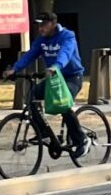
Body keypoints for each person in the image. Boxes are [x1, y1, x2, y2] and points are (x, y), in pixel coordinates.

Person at [8, 12, 87, 156]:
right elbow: (30, 54)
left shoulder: (67, 36)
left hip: (72, 77)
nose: (40, 28)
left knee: (63, 103)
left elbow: (66, 53)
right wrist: (15, 68)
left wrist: (56, 66)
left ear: (53, 23)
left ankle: (82, 140)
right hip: (53, 78)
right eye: (38, 25)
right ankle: (44, 133)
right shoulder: (41, 40)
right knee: (31, 97)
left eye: (43, 25)